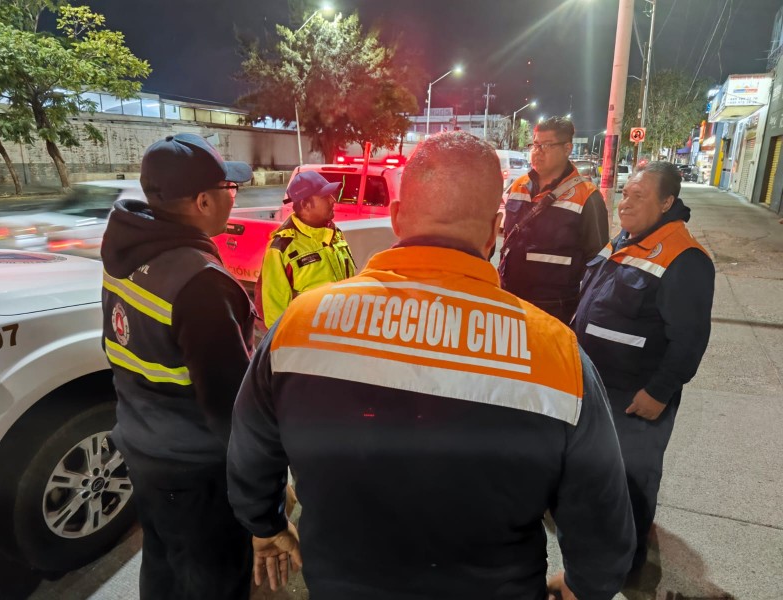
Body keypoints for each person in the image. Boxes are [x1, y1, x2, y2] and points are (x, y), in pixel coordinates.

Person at [227, 131, 635, 599]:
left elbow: (250, 446)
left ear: (397, 217)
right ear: (495, 230)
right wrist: (587, 585)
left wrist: (264, 523)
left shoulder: (300, 325)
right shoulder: (556, 354)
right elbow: (603, 520)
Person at [100, 133, 255, 599]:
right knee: (213, 581)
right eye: (230, 187)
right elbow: (230, 408)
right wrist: (260, 489)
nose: (234, 196)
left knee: (163, 564)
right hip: (195, 472)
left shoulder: (126, 248)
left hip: (142, 447)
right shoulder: (200, 282)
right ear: (203, 201)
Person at [572, 161, 715, 574]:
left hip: (635, 396)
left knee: (631, 481)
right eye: (626, 193)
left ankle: (625, 566)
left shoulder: (685, 257)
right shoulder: (625, 240)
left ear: (667, 202)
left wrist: (658, 392)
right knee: (596, 475)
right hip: (597, 386)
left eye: (640, 196)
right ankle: (596, 551)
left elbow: (690, 339)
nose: (626, 203)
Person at [498, 116, 609, 323]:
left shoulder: (587, 196)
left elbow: (597, 261)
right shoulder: (519, 185)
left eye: (547, 145)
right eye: (535, 145)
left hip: (555, 307)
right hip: (512, 298)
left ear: (567, 148)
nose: (537, 152)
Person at [255, 171, 356, 328]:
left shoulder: (334, 234)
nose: (333, 200)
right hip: (309, 338)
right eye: (325, 196)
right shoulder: (282, 249)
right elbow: (274, 315)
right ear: (304, 204)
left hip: (341, 331)